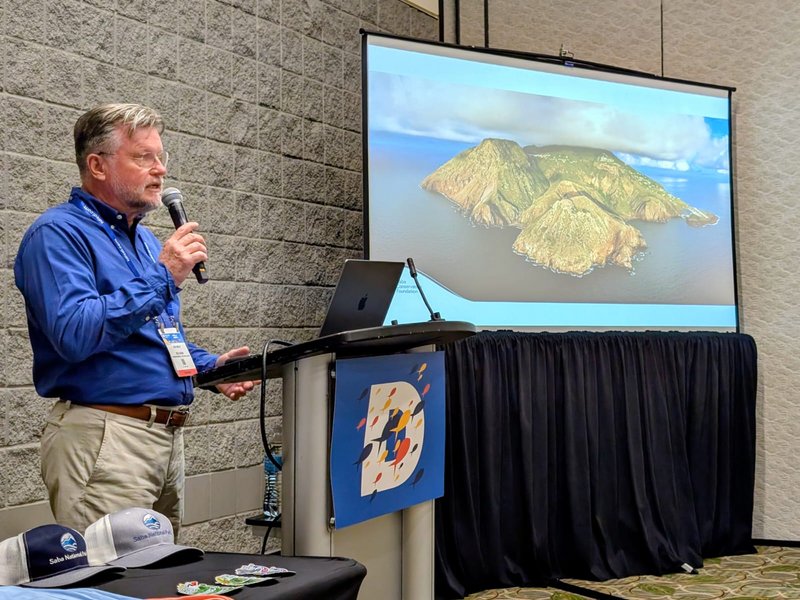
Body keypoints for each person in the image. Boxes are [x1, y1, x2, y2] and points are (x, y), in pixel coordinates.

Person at [14, 103, 256, 534]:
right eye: (144, 157)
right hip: (106, 437)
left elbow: (155, 335)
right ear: (97, 165)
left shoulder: (144, 241)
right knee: (112, 571)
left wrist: (210, 368)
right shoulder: (57, 234)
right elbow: (74, 332)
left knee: (161, 570)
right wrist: (164, 276)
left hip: (164, 439)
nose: (160, 170)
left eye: (161, 157)